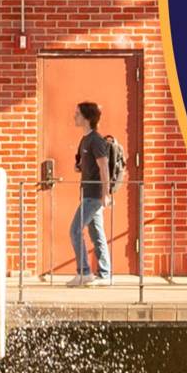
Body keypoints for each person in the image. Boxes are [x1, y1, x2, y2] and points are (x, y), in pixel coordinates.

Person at [69, 101, 118, 285]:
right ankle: (105, 275)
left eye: (78, 114)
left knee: (74, 230)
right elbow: (89, 165)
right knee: (97, 234)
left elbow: (104, 166)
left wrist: (106, 194)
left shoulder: (96, 140)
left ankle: (84, 272)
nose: (75, 117)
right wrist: (79, 167)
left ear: (87, 118)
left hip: (94, 195)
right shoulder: (85, 140)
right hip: (88, 193)